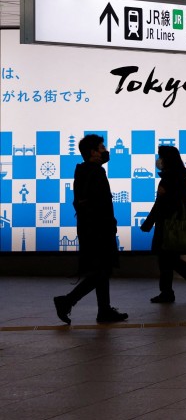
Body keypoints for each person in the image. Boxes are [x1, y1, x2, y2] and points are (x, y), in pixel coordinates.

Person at [53, 135, 128, 324]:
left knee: (101, 270)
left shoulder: (84, 171)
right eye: (102, 147)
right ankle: (67, 301)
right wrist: (108, 225)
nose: (105, 150)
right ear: (93, 152)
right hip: (98, 231)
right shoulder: (94, 172)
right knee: (101, 272)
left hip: (91, 229)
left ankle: (104, 310)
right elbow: (99, 204)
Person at [140, 145, 186, 303]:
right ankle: (168, 291)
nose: (158, 160)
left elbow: (160, 204)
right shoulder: (180, 176)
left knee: (167, 259)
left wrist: (148, 223)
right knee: (167, 259)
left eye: (160, 157)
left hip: (168, 225)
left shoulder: (169, 178)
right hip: (175, 223)